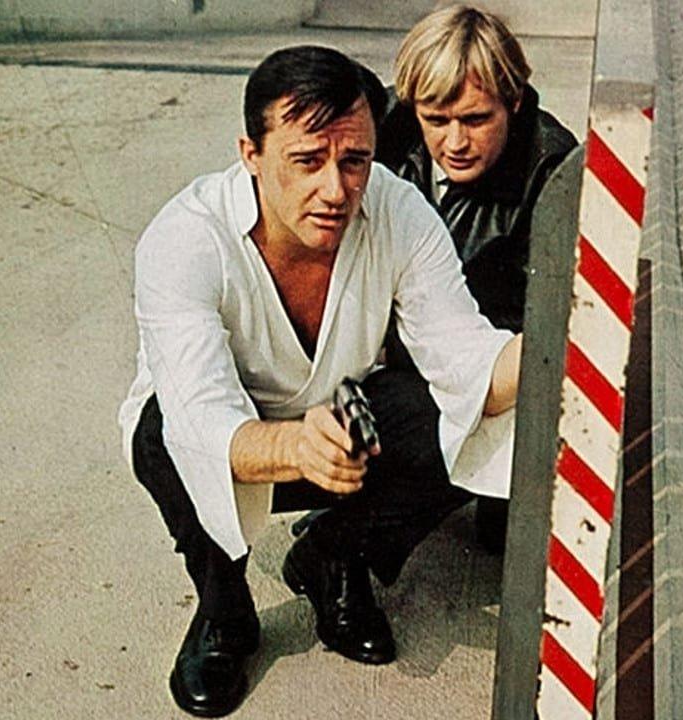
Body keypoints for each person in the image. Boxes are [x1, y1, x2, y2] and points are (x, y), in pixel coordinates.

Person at [118, 45, 522, 718]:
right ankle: (224, 613)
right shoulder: (185, 238)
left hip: (343, 419)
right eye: (307, 161)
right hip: (236, 436)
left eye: (355, 160)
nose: (336, 190)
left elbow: (466, 360)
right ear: (251, 154)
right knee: (160, 434)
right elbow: (201, 419)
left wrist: (556, 350)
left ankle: (335, 556)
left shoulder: (399, 210)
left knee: (473, 413)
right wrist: (294, 446)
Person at [376, 5, 578, 552]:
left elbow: (549, 326)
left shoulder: (551, 171)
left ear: (514, 100)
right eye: (436, 120)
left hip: (489, 362)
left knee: (501, 536)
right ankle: (346, 536)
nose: (455, 142)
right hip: (389, 346)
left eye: (476, 120)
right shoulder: (384, 128)